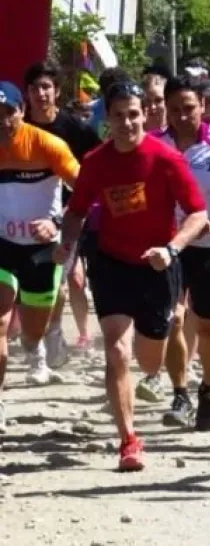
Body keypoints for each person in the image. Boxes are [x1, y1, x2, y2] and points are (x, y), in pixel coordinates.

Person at [55, 80, 208, 471]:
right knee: (117, 351)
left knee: (149, 359)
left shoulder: (166, 157)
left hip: (158, 264)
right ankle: (129, 440)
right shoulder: (96, 161)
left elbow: (198, 213)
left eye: (134, 114)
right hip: (112, 263)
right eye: (119, 116)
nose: (127, 123)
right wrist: (66, 245)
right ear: (107, 118)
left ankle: (159, 376)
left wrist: (172, 249)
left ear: (146, 115)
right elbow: (75, 211)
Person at [153, 76, 210, 431]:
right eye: (174, 109)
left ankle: (209, 389)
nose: (181, 116)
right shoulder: (156, 144)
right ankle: (180, 393)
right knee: (173, 320)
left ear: (202, 107)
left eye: (189, 108)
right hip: (170, 247)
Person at [0, 79, 80, 421]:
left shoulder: (48, 145)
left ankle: (37, 345)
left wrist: (57, 225)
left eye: (8, 113)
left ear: (22, 111)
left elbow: (86, 192)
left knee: (31, 333)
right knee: (0, 321)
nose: (2, 122)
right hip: (1, 246)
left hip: (41, 249)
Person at [22, 62, 101, 363]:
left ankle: (53, 335)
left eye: (46, 87)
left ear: (56, 91)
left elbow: (97, 164)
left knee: (58, 279)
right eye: (34, 88)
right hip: (19, 217)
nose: (41, 94)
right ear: (27, 94)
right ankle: (36, 336)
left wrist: (76, 209)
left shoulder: (75, 130)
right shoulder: (17, 126)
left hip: (66, 216)